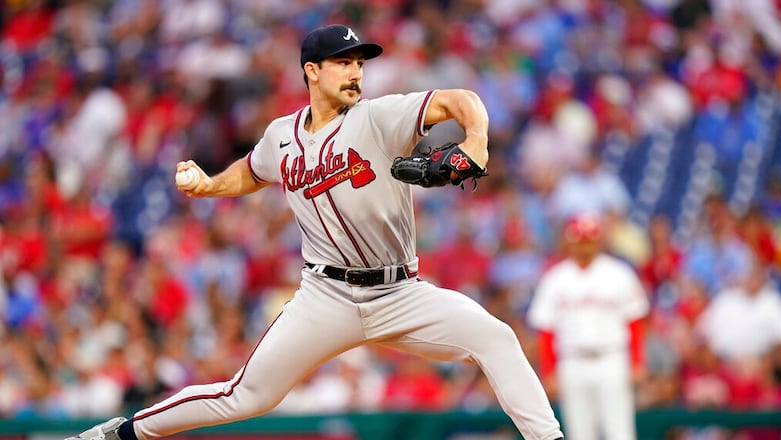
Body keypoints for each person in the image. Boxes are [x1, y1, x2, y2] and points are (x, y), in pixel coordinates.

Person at [65, 24, 564, 440]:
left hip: (400, 292)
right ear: (312, 70)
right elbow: (253, 170)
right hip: (326, 296)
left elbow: (462, 99)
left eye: (360, 63)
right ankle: (120, 434)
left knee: (496, 337)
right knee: (246, 395)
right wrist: (209, 186)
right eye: (343, 62)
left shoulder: (379, 117)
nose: (355, 72)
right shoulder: (281, 135)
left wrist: (476, 139)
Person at [527, 213, 649, 440]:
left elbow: (635, 321)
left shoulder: (618, 274)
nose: (584, 246)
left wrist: (637, 361)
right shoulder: (555, 279)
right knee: (579, 433)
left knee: (619, 432)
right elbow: (546, 330)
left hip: (612, 359)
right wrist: (549, 369)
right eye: (579, 241)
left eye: (588, 240)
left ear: (598, 241)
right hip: (572, 362)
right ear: (569, 243)